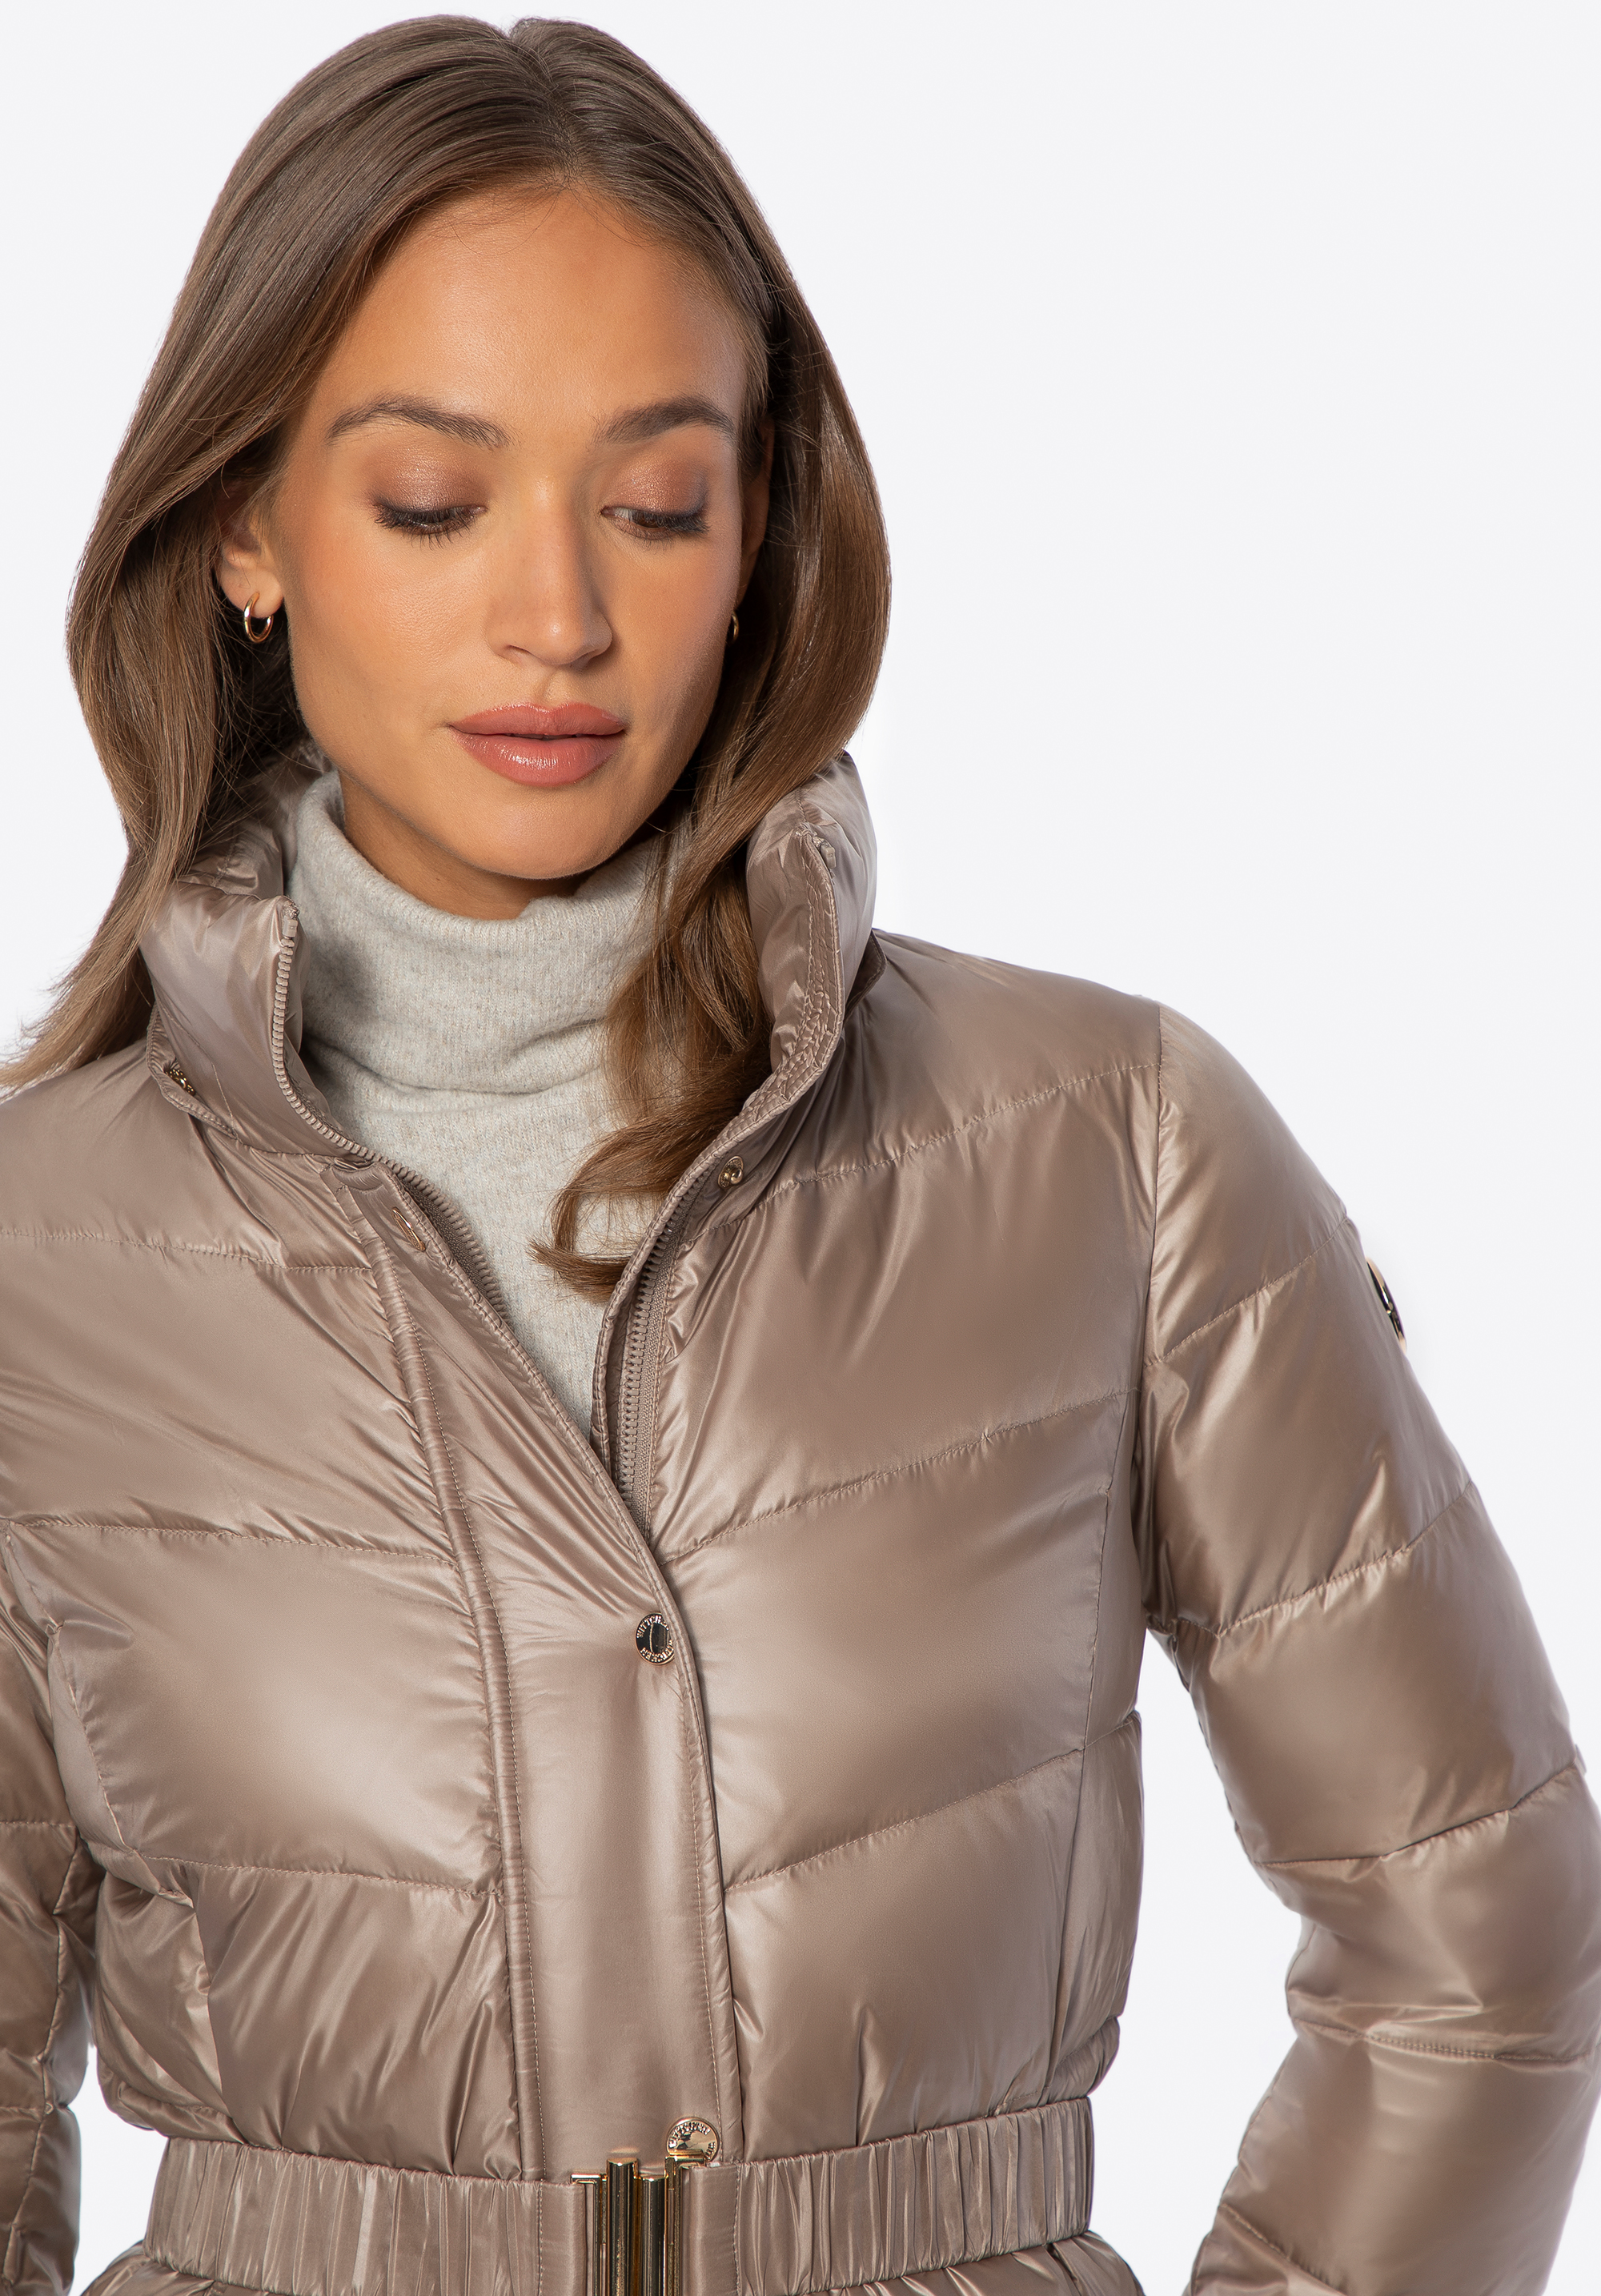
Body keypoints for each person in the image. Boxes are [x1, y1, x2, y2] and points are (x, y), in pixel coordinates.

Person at [1, 18, 1596, 2296]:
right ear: (246, 527)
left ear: (759, 534)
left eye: (657, 504)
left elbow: (1483, 1925)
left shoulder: (1107, 1151)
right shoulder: (37, 1257)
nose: (559, 618)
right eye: (433, 502)